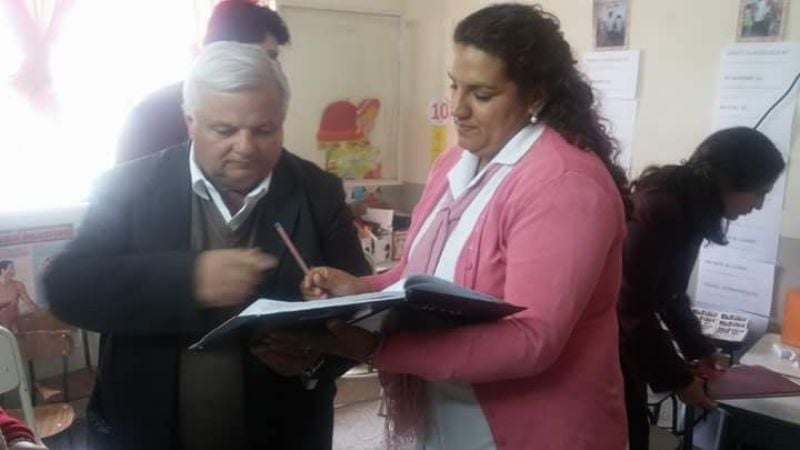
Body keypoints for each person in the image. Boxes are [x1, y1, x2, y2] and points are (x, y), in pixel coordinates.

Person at [269, 4, 631, 449]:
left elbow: (531, 341)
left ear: (534, 96)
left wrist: (374, 348)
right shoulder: (455, 163)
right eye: (454, 86)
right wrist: (360, 288)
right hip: (447, 411)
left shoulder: (564, 184)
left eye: (481, 94)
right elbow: (418, 277)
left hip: (532, 428)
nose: (456, 109)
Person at [44, 42, 371, 450]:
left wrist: (319, 357)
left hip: (285, 428)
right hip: (143, 429)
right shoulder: (129, 186)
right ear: (190, 122)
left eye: (264, 130)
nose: (246, 146)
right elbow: (66, 286)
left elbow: (364, 309)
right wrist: (190, 279)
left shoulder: (316, 191)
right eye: (224, 130)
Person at [618, 127, 785, 450]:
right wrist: (678, 379)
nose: (760, 205)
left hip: (624, 346)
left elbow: (671, 296)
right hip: (603, 349)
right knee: (627, 434)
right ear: (727, 181)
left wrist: (701, 349)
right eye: (759, 192)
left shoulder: (688, 208)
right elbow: (630, 309)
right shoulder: (659, 208)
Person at [116, 0, 290, 163]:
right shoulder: (152, 115)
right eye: (267, 57)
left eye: (263, 131)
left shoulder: (268, 107)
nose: (245, 148)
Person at [0, 261, 37, 332]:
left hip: (15, 323)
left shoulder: (18, 285)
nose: (14, 270)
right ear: (3, 270)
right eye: (11, 268)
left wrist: (34, 309)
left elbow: (29, 302)